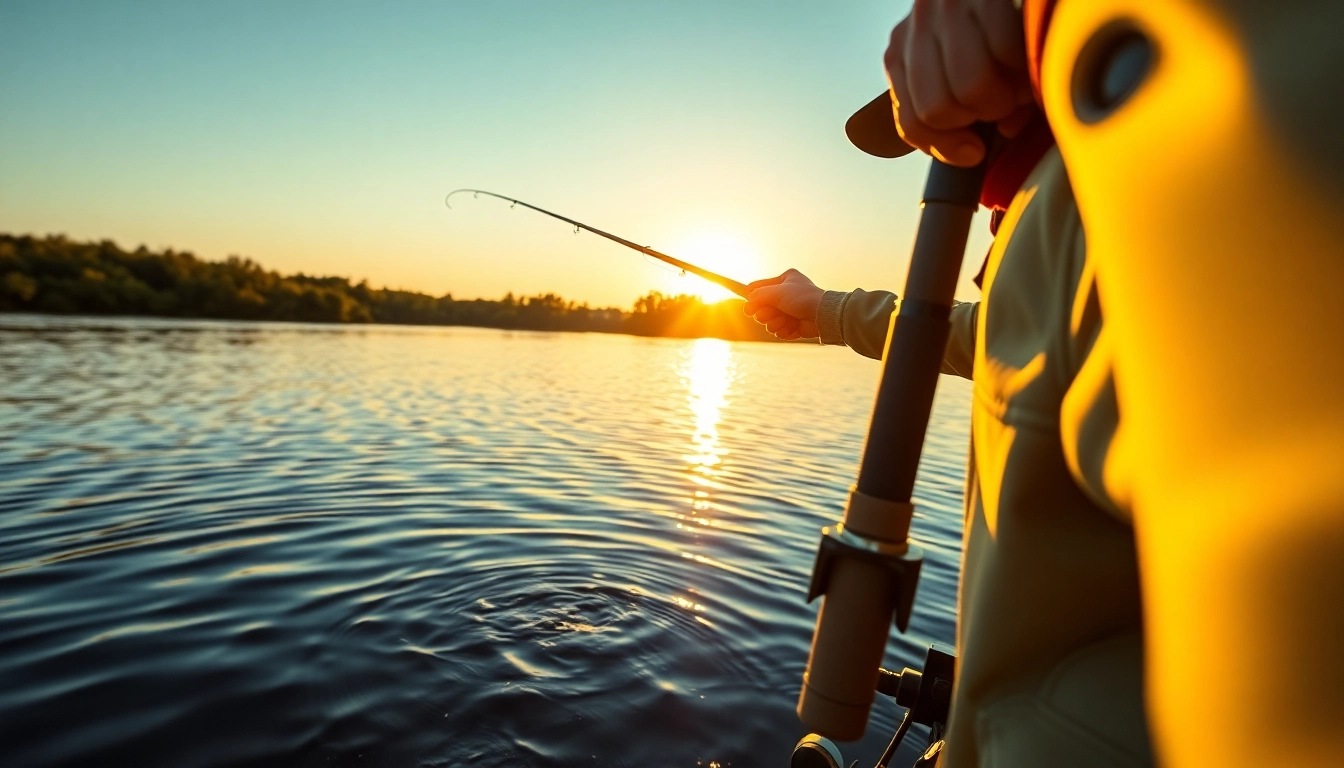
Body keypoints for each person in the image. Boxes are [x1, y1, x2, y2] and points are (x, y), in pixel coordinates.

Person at [752, 1, 1344, 766]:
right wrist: (825, 310)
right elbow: (990, 338)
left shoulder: (1125, 188)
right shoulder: (1068, 231)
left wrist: (1065, 21)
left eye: (939, 120)